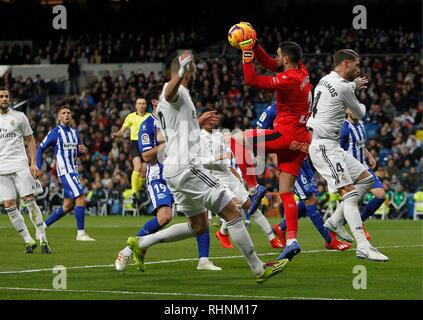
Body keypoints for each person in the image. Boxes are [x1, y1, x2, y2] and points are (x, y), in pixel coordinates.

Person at [126, 51, 288, 284]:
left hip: (174, 169)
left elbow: (178, 129)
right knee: (233, 212)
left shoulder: (180, 98)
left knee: (198, 225)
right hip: (188, 167)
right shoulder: (174, 90)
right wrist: (180, 71)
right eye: (192, 68)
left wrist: (197, 123)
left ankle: (142, 242)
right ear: (182, 71)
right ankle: (258, 268)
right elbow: (169, 92)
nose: (195, 71)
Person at [115, 85, 222, 271]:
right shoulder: (147, 125)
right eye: (163, 97)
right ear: (155, 102)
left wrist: (199, 122)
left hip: (183, 172)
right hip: (159, 176)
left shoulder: (172, 118)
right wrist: (170, 142)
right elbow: (147, 156)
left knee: (201, 215)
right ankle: (127, 250)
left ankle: (203, 260)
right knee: (165, 217)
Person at [231, 27, 312, 261]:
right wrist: (255, 45)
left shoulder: (288, 79)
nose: (275, 58)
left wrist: (247, 54)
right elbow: (269, 63)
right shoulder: (301, 70)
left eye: (278, 55)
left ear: (286, 59)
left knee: (237, 139)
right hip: (302, 140)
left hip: (285, 135)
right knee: (287, 193)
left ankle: (254, 188)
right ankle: (292, 240)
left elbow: (251, 79)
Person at [306, 49, 388, 261]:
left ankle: (334, 221)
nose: (358, 69)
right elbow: (359, 113)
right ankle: (363, 245)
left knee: (367, 179)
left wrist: (352, 86)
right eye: (356, 65)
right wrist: (358, 97)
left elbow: (341, 88)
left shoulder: (324, 79)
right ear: (345, 64)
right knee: (350, 195)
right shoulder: (344, 87)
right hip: (324, 147)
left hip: (331, 146)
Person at [257, 103, 351, 251]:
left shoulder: (301, 105)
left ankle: (281, 228)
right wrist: (275, 152)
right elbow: (259, 133)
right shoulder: (273, 110)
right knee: (309, 199)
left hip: (305, 156)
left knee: (309, 198)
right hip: (288, 158)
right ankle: (329, 240)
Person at [198, 107, 284, 249]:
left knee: (252, 207)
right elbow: (199, 161)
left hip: (229, 176)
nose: (211, 119)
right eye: (208, 117)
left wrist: (239, 172)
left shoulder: (219, 136)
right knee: (236, 205)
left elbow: (230, 159)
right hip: (215, 180)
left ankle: (272, 239)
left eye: (214, 116)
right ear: (202, 119)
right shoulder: (198, 137)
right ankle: (223, 233)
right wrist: (219, 157)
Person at [0, 87, 51, 253]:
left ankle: (42, 238)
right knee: (9, 206)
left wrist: (33, 163)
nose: (5, 99)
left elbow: (30, 140)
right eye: (1, 96)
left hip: (20, 165)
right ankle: (29, 240)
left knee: (29, 201)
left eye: (7, 96)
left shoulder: (19, 117)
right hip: (2, 168)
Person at [36, 105, 95, 241]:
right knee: (81, 198)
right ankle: (81, 234)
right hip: (64, 171)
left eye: (69, 112)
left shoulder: (75, 133)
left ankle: (42, 227)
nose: (67, 114)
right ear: (59, 117)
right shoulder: (55, 132)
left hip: (74, 170)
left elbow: (77, 151)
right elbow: (40, 148)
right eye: (64, 113)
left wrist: (82, 150)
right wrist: (38, 166)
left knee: (68, 206)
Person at [340, 109, 386, 239]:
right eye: (353, 109)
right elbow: (338, 150)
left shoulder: (361, 124)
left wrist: (370, 156)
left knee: (381, 195)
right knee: (351, 201)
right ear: (347, 111)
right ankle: (336, 231)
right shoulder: (344, 128)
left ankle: (359, 221)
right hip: (350, 170)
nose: (356, 112)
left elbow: (361, 145)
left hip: (364, 167)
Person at [112, 98, 150, 204]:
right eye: (139, 104)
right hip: (135, 143)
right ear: (136, 106)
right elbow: (122, 130)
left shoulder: (150, 117)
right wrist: (117, 134)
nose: (141, 105)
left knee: (143, 171)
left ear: (146, 106)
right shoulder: (131, 116)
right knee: (137, 167)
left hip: (147, 144)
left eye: (143, 104)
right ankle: (134, 192)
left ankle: (137, 193)